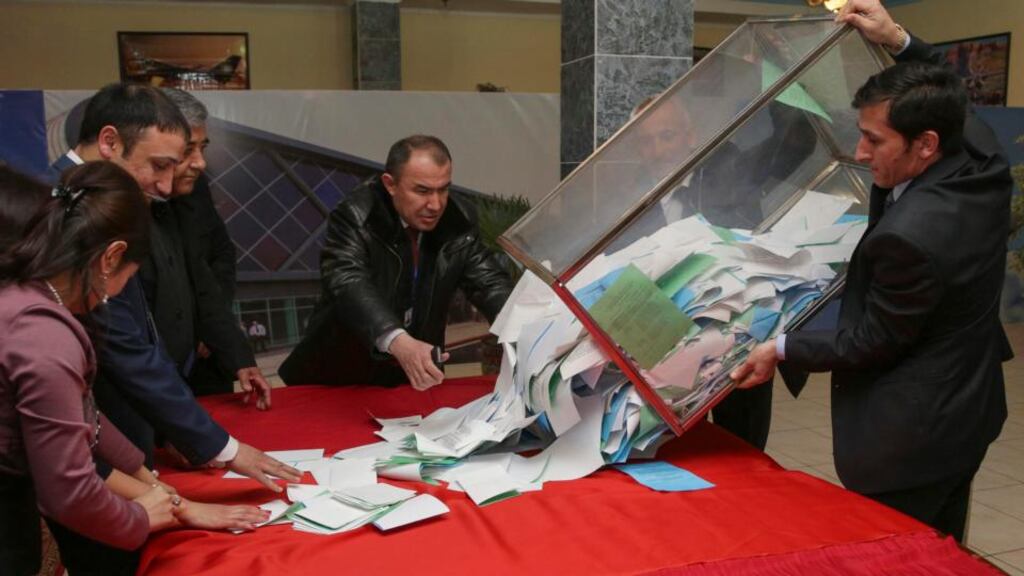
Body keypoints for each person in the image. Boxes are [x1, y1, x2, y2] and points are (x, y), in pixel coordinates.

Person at [730, 0, 1011, 542]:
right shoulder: (984, 165)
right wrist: (898, 39)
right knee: (944, 543)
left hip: (911, 436)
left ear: (926, 144)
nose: (859, 153)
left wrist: (780, 348)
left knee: (899, 549)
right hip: (966, 412)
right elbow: (959, 102)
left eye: (875, 141)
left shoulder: (912, 238)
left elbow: (869, 341)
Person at [0, 162, 267, 576]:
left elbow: (86, 418)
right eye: (131, 276)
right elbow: (68, 491)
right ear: (111, 258)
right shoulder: (45, 336)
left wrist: (168, 497)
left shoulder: (34, 297)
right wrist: (142, 518)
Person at [50, 83, 299, 484]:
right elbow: (122, 342)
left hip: (123, 432)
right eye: (160, 165)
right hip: (86, 437)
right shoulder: (63, 208)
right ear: (110, 142)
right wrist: (222, 448)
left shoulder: (104, 199)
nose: (166, 186)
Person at [280, 135, 513, 390]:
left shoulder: (458, 219)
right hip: (341, 377)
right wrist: (397, 340)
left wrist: (523, 329)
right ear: (390, 184)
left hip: (412, 378)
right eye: (422, 191)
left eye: (444, 189)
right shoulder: (356, 215)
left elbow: (488, 282)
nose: (436, 204)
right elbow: (347, 281)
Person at [153, 87, 266, 397]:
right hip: (157, 369)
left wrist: (220, 339)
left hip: (206, 355)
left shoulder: (195, 185)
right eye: (188, 150)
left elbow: (215, 258)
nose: (200, 163)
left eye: (202, 147)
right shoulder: (126, 207)